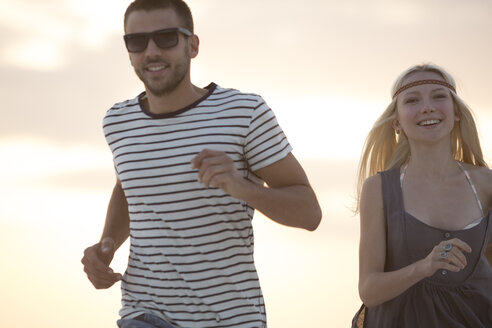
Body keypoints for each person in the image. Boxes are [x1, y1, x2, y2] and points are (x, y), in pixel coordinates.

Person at [81, 0, 322, 327]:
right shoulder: (118, 121)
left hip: (231, 318)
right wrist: (106, 245)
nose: (151, 51)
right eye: (137, 41)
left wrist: (241, 187)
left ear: (192, 45)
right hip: (144, 313)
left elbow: (309, 213)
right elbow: (129, 189)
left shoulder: (244, 113)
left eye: (166, 38)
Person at [352, 63, 492, 328]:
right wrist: (424, 266)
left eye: (439, 96)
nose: (427, 107)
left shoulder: (487, 184)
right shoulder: (379, 189)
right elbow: (368, 290)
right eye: (412, 100)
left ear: (456, 113)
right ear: (396, 122)